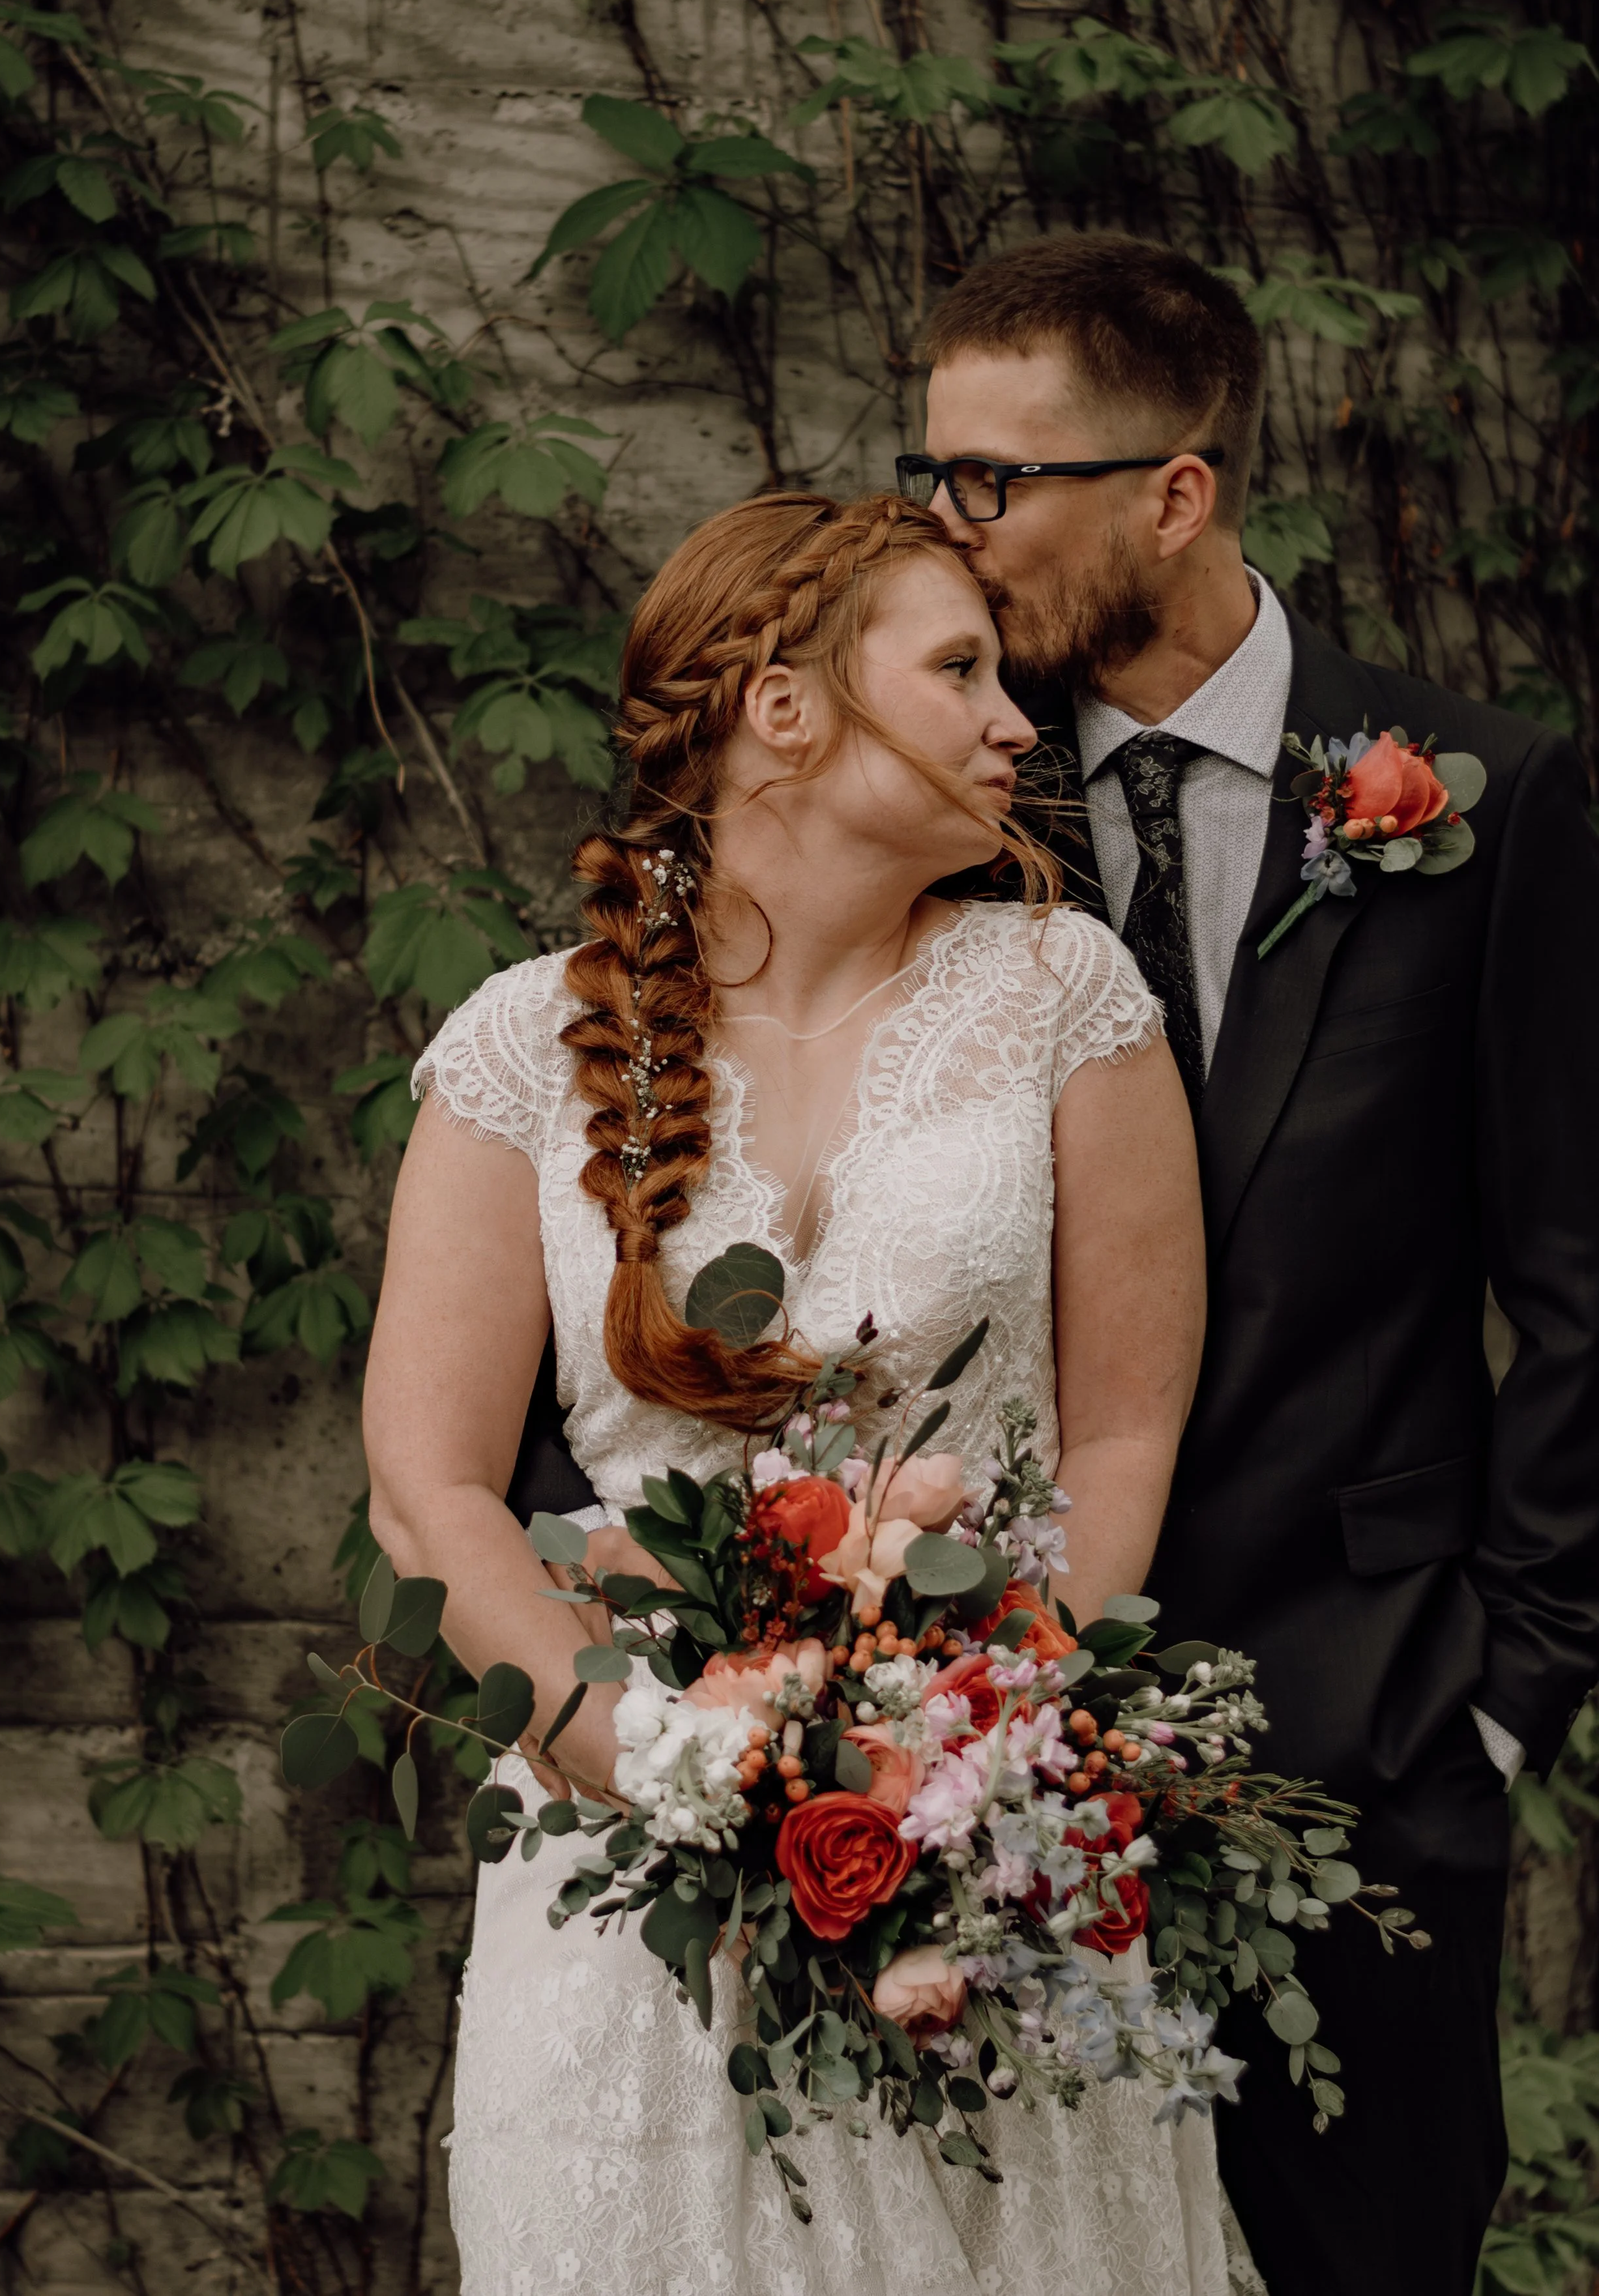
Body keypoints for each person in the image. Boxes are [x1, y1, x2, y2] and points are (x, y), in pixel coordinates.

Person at [362, 491, 1263, 2294]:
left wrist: (985, 1750)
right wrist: (635, 1745)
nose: (1018, 721)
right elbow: (426, 1488)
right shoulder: (521, 1048)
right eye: (957, 670)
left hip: (979, 1859)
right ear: (782, 706)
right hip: (619, 1867)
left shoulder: (1066, 996)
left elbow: (1116, 1427)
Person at [905, 231, 1599, 2296]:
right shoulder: (938, 783)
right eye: (937, 469)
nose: (948, 525)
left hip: (1372, 1726)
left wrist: (1508, 1685)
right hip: (989, 1744)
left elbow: (1577, 1272)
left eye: (993, 481)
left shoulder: (1478, 793)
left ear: (1173, 491)